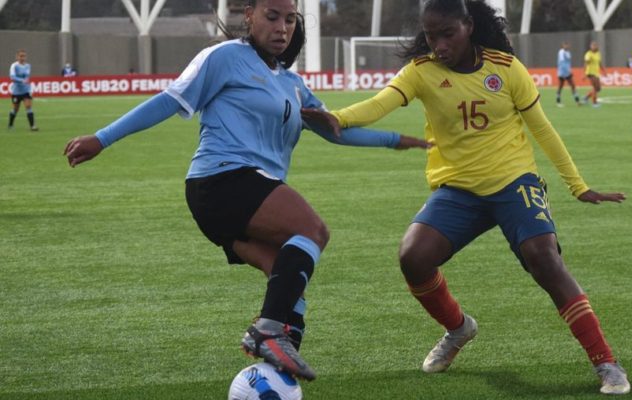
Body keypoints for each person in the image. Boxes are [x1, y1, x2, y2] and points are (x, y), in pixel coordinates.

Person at [63, 0, 428, 382]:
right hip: (222, 180)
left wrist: (395, 139)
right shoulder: (223, 57)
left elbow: (335, 130)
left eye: (289, 20)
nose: (282, 28)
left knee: (287, 282)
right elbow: (170, 100)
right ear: (249, 15)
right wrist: (102, 139)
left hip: (243, 190)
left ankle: (275, 378)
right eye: (272, 17)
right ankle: (266, 331)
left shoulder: (292, 84)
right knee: (313, 232)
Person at [303, 0, 630, 395]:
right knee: (413, 257)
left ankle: (607, 364)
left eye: (447, 34)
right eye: (430, 36)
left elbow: (542, 130)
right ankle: (458, 329)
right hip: (457, 188)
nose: (438, 45)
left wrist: (577, 185)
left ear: (468, 26)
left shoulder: (506, 68)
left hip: (514, 181)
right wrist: (338, 117)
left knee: (544, 257)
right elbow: (379, 104)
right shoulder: (420, 72)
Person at [8, 49, 38, 131]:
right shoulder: (14, 66)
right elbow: (12, 77)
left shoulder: (28, 66)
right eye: (21, 56)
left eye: (24, 56)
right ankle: (10, 125)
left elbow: (27, 77)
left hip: (26, 90)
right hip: (16, 91)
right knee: (15, 109)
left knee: (28, 106)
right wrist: (22, 80)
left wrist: (29, 88)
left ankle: (32, 126)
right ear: (17, 57)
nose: (22, 58)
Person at [556, 41, 580, 107]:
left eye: (567, 45)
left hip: (567, 71)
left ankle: (577, 101)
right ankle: (558, 101)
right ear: (562, 45)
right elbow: (562, 62)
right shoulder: (561, 52)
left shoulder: (568, 53)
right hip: (562, 72)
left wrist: (569, 70)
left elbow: (567, 63)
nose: (566, 46)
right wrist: (566, 72)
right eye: (565, 45)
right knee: (561, 86)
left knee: (572, 85)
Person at [583, 41, 605, 108]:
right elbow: (586, 63)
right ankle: (594, 103)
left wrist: (604, 71)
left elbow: (599, 63)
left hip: (596, 73)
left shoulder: (598, 53)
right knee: (595, 87)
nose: (594, 47)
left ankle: (586, 97)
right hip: (590, 73)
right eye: (593, 46)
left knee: (598, 88)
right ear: (590, 47)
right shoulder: (588, 54)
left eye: (595, 45)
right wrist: (584, 73)